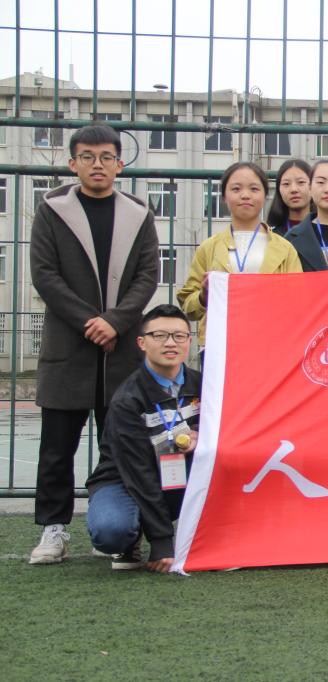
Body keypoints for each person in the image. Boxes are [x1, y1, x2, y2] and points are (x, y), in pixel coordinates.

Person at [28, 124, 159, 565]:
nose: (97, 164)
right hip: (69, 344)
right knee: (56, 448)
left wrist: (115, 321)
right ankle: (53, 529)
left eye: (106, 157)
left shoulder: (138, 213)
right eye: (87, 156)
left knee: (123, 446)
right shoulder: (52, 209)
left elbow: (148, 276)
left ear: (119, 164)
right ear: (73, 163)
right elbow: (45, 275)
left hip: (121, 349)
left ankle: (126, 536)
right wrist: (91, 322)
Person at [85, 305, 201, 572]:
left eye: (179, 336)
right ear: (142, 343)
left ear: (189, 341)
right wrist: (161, 541)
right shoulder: (127, 399)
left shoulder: (206, 386)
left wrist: (203, 439)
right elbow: (138, 471)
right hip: (124, 479)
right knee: (111, 531)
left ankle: (211, 538)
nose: (170, 343)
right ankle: (131, 536)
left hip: (180, 474)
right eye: (159, 335)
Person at [177, 162, 303, 349]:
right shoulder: (208, 248)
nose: (245, 195)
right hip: (220, 346)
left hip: (270, 345)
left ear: (265, 195)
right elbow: (188, 305)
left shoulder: (285, 249)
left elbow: (298, 302)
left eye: (254, 189)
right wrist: (204, 297)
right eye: (236, 189)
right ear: (224, 196)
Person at [266, 159, 313, 236]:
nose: (293, 189)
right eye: (286, 184)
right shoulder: (269, 233)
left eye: (301, 182)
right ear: (279, 189)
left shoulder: (324, 229)